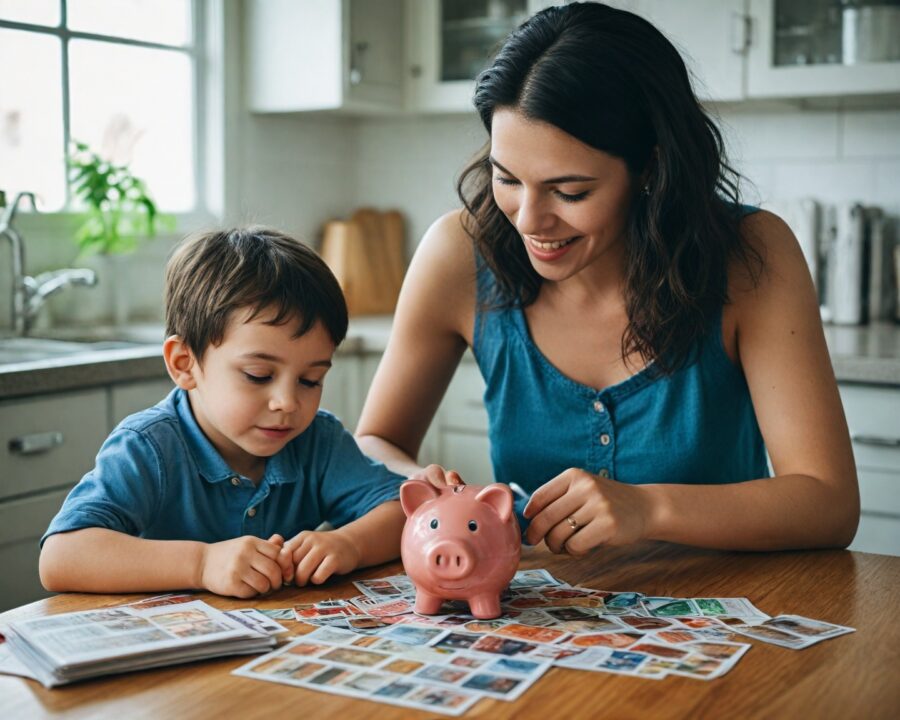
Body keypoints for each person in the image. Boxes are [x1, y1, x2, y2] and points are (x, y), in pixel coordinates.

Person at [355, 2, 859, 555]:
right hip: (543, 619)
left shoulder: (750, 255)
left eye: (570, 192)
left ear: (651, 168)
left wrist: (649, 508)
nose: (528, 220)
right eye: (508, 179)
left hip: (721, 609)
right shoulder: (459, 252)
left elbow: (828, 505)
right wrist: (424, 485)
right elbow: (376, 441)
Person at [40, 227, 406, 598]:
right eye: (258, 375)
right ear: (184, 364)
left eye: (310, 380)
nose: (288, 402)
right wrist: (202, 563)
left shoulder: (319, 441)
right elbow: (61, 557)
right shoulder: (149, 447)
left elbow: (404, 512)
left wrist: (350, 544)